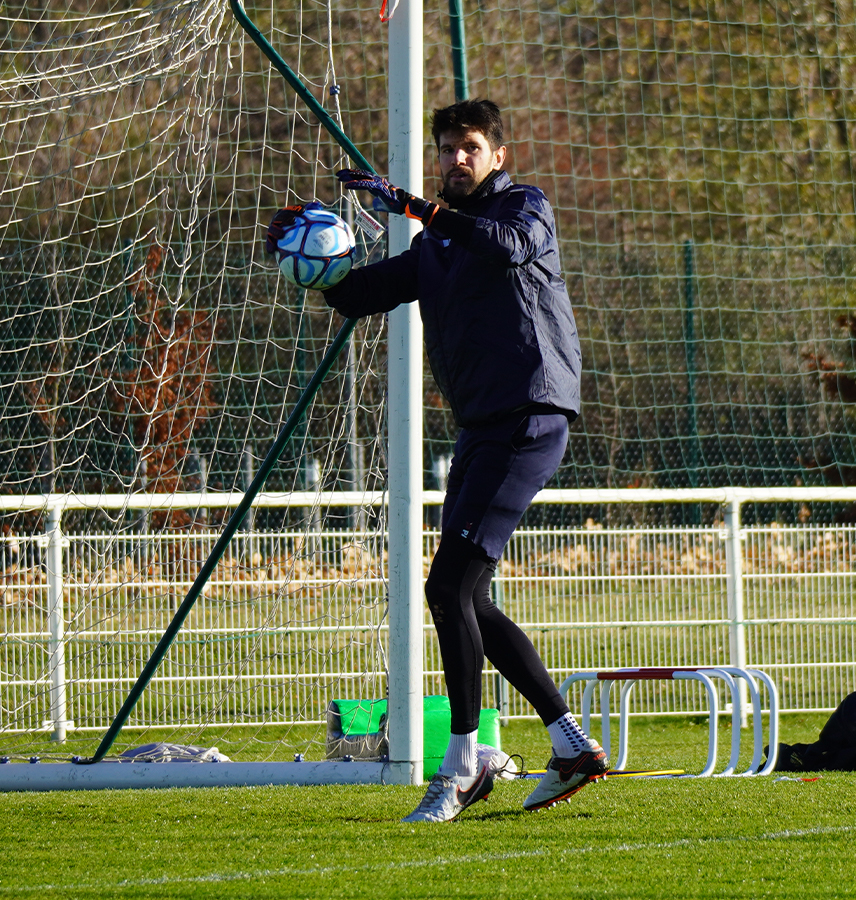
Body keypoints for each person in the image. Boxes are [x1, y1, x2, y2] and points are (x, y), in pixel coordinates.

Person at [265, 99, 608, 823]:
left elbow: (505, 247)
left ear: (497, 156)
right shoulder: (436, 246)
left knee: (447, 586)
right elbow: (359, 296)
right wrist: (312, 259)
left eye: (470, 147)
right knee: (467, 596)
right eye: (447, 148)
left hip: (530, 415)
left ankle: (464, 761)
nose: (456, 158)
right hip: (482, 430)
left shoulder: (524, 207)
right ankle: (570, 742)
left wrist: (415, 207)